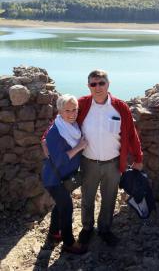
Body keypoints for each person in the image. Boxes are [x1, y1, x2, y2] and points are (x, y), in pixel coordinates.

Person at [76, 69, 143, 247]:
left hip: (113, 163)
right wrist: (46, 139)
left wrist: (138, 157)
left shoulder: (120, 107)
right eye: (93, 84)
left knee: (109, 198)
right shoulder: (81, 104)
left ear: (108, 84)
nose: (97, 87)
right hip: (88, 162)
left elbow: (131, 134)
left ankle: (105, 229)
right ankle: (87, 228)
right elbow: (63, 120)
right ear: (88, 85)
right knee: (87, 198)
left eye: (101, 83)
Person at [42, 94, 87, 254]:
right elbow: (60, 159)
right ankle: (68, 243)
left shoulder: (72, 127)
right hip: (53, 179)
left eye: (74, 109)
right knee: (67, 208)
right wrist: (80, 147)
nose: (72, 113)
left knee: (60, 206)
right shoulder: (56, 131)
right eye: (67, 110)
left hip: (64, 177)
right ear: (59, 111)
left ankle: (54, 234)